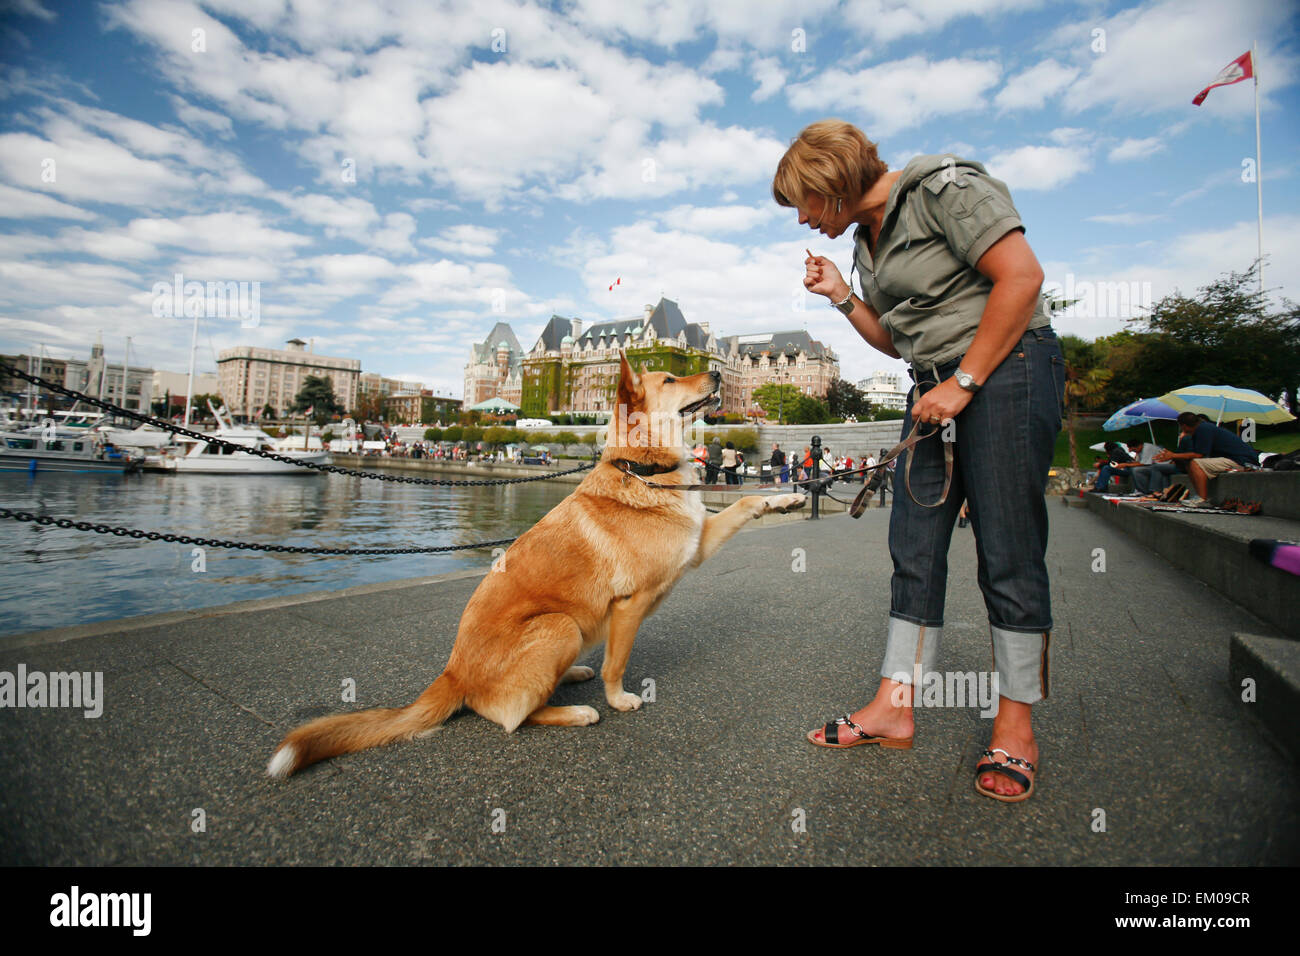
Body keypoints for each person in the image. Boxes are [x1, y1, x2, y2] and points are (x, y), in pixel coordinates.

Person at [777, 118, 1063, 801]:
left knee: (1007, 549)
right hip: (933, 385)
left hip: (1007, 370)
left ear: (831, 183)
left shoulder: (944, 188)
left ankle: (1016, 725)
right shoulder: (866, 244)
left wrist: (964, 382)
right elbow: (897, 341)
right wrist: (845, 299)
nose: (804, 220)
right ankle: (894, 707)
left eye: (804, 205)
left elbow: (1021, 279)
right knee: (914, 546)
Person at [1153, 412, 1259, 505]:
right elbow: (1194, 454)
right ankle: (1199, 496)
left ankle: (1203, 499)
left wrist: (1173, 455)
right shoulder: (1203, 428)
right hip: (1235, 459)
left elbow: (1199, 455)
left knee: (1195, 463)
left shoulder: (1203, 429)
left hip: (1242, 461)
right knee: (1190, 464)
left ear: (1183, 426)